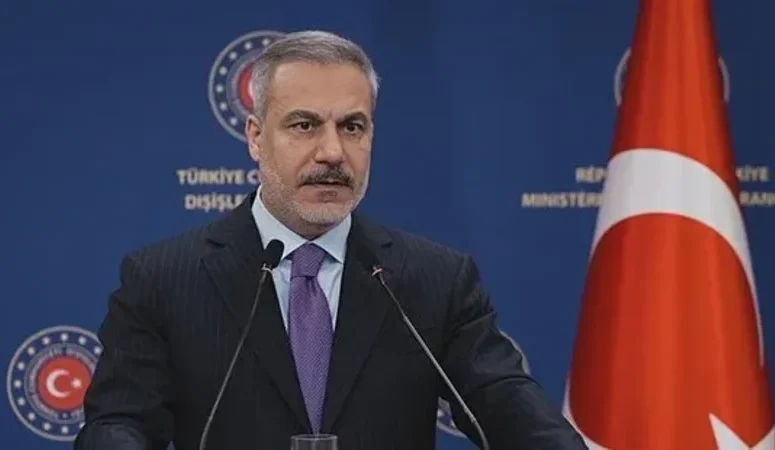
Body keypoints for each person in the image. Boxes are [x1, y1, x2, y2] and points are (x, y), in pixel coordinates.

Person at [75, 30, 587, 450]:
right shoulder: (164, 280)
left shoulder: (434, 280)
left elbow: (505, 402)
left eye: (352, 127)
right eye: (304, 125)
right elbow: (120, 424)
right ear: (255, 137)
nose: (332, 152)